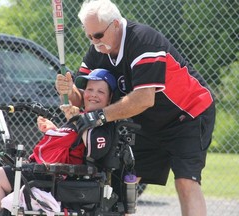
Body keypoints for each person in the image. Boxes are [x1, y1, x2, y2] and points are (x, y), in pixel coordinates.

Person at [55, 1, 216, 215]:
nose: (94, 42)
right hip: (146, 122)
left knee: (186, 181)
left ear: (115, 25)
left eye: (98, 35)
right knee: (123, 182)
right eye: (89, 37)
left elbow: (143, 99)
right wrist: (68, 90)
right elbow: (81, 98)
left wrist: (99, 116)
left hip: (187, 115)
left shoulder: (142, 40)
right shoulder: (99, 50)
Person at [0, 68, 117, 216]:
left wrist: (79, 121)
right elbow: (69, 141)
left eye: (101, 92)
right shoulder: (80, 114)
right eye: (90, 89)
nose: (94, 94)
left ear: (109, 98)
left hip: (56, 175)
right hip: (42, 169)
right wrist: (53, 129)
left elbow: (95, 150)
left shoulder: (103, 123)